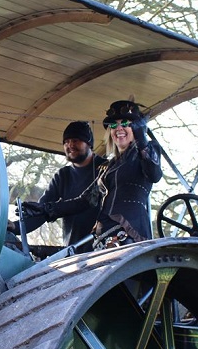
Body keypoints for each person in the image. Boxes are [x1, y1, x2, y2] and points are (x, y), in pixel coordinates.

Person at [22, 100, 163, 248]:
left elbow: (155, 174)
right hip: (105, 236)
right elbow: (85, 201)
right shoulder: (108, 167)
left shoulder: (147, 150)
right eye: (113, 125)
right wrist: (45, 208)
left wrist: (142, 139)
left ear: (137, 127)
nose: (119, 128)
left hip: (131, 234)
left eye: (126, 123)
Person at [9, 121, 107, 253]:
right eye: (66, 142)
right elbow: (41, 212)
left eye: (76, 140)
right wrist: (15, 226)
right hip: (74, 250)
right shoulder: (62, 176)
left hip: (105, 247)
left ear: (89, 143)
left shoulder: (107, 169)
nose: (70, 145)